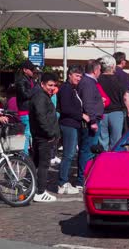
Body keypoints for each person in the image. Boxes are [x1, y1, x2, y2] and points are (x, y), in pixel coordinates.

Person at [30, 72, 60, 203]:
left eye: (54, 85)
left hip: (42, 135)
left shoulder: (43, 96)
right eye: (49, 85)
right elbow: (41, 117)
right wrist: (49, 133)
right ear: (42, 84)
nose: (52, 88)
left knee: (38, 163)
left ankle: (36, 189)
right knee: (43, 164)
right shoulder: (40, 97)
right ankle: (40, 192)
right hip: (43, 136)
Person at [57, 65, 85, 195]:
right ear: (70, 75)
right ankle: (62, 183)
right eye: (76, 75)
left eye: (80, 76)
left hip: (74, 124)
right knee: (68, 154)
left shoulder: (72, 89)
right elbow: (66, 109)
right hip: (68, 124)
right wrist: (82, 115)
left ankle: (64, 181)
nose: (79, 78)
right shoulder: (66, 89)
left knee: (70, 154)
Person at [77, 60, 104, 189]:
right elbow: (88, 103)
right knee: (87, 150)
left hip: (92, 119)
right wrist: (93, 121)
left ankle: (84, 177)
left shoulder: (87, 82)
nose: (100, 72)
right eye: (99, 70)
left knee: (87, 150)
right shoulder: (88, 83)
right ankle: (82, 179)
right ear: (95, 70)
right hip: (90, 122)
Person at [98, 55, 127, 150]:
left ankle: (103, 160)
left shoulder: (98, 80)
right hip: (116, 112)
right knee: (116, 141)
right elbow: (125, 96)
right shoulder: (118, 80)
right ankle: (114, 161)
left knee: (102, 140)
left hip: (102, 112)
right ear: (113, 66)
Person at [16, 59, 38, 155]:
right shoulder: (21, 80)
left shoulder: (30, 80)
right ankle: (24, 156)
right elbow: (25, 95)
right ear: (25, 70)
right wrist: (35, 89)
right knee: (26, 134)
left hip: (30, 111)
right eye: (31, 69)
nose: (33, 71)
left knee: (30, 134)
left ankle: (27, 155)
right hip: (25, 111)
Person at [112, 52, 129, 134]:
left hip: (106, 110)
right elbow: (126, 95)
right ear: (122, 61)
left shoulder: (107, 73)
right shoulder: (123, 75)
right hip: (120, 109)